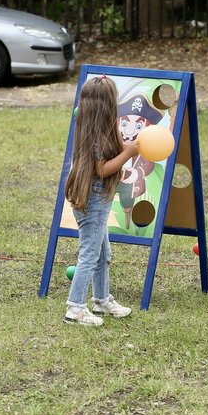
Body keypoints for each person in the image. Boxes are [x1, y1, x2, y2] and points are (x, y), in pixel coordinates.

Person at [63, 75, 136, 326]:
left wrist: (125, 144)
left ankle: (102, 299)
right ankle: (75, 308)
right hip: (93, 199)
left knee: (103, 253)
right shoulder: (94, 137)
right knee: (90, 254)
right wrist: (130, 152)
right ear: (107, 105)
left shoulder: (99, 127)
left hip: (99, 198)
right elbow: (103, 170)